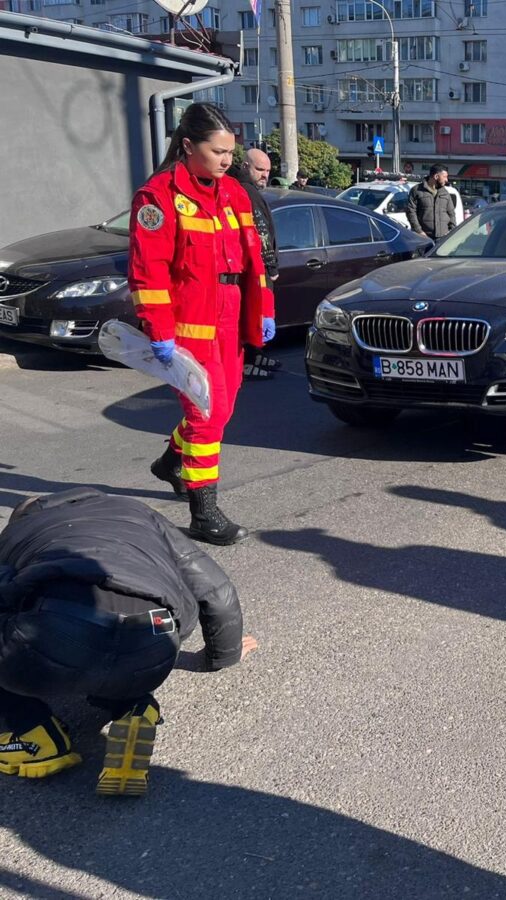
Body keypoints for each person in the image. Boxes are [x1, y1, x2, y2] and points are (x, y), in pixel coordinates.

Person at [0, 488, 255, 796]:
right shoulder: (138, 512)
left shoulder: (18, 532)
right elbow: (216, 591)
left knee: (54, 636)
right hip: (155, 643)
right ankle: (135, 708)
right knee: (121, 644)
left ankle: (34, 734)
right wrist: (223, 656)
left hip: (60, 633)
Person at [128, 102, 275, 546]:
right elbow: (147, 272)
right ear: (188, 146)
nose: (227, 160)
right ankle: (203, 510)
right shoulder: (158, 196)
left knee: (223, 408)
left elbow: (255, 259)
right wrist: (159, 331)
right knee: (205, 413)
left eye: (231, 152)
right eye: (218, 151)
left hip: (231, 312)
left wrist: (264, 308)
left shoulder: (233, 193)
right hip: (190, 321)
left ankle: (172, 461)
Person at [233, 148, 282, 380]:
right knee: (255, 314)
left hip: (253, 267)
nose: (264, 175)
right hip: (256, 268)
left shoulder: (246, 189)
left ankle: (254, 355)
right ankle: (247, 361)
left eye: (267, 170)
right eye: (259, 169)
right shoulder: (246, 191)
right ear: (245, 167)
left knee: (258, 314)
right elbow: (260, 232)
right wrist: (271, 267)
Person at [406, 164, 457, 240]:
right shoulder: (416, 190)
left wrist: (451, 230)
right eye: (444, 177)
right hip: (424, 237)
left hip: (443, 237)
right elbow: (410, 211)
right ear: (436, 176)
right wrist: (419, 231)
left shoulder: (445, 192)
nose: (446, 180)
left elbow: (451, 213)